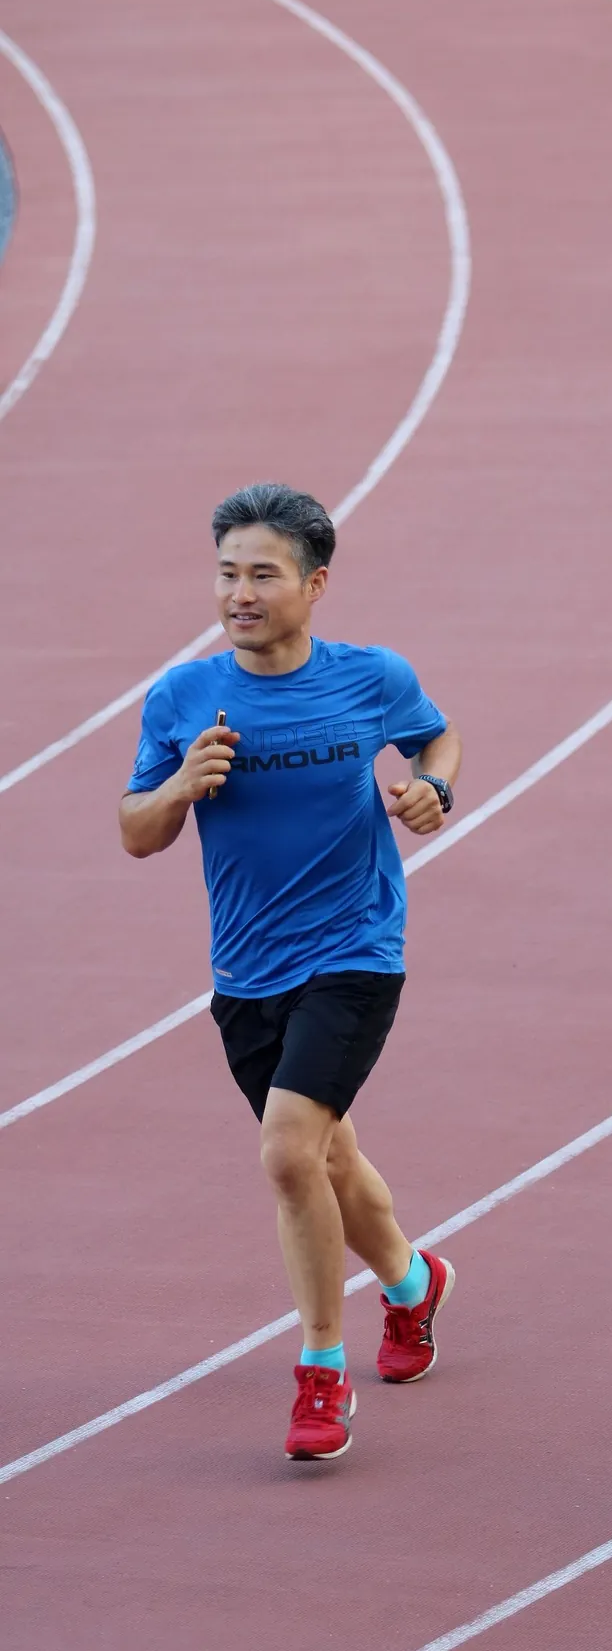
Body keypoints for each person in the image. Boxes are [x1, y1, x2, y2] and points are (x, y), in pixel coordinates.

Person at [121, 483, 462, 1463]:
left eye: (262, 574)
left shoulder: (368, 678)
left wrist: (432, 788)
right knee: (329, 1160)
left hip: (354, 953)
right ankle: (411, 1285)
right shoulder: (182, 697)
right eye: (227, 574)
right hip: (245, 973)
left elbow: (434, 736)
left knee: (285, 1154)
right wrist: (181, 784)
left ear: (314, 585)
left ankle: (319, 1372)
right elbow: (135, 831)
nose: (240, 593)